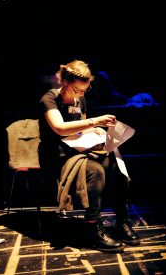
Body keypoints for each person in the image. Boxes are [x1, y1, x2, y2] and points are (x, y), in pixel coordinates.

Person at [38, 59, 140, 253]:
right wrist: (95, 122)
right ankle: (93, 226)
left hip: (78, 149)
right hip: (58, 155)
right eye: (78, 90)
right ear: (65, 83)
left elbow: (81, 128)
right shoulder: (49, 99)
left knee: (115, 165)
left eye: (85, 89)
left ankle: (121, 221)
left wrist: (98, 133)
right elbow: (60, 129)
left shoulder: (80, 99)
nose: (82, 93)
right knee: (95, 171)